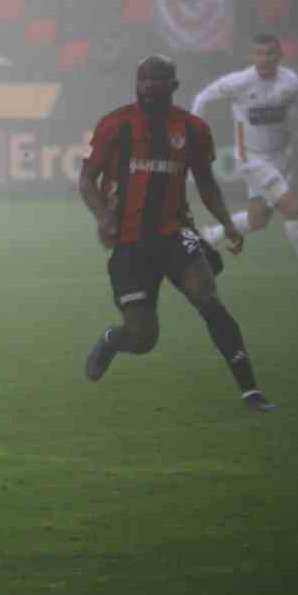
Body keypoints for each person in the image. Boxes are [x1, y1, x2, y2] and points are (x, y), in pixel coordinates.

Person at [79, 55, 274, 412]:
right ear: (136, 83)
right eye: (143, 79)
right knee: (143, 338)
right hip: (130, 241)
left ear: (174, 85)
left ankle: (250, 390)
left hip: (174, 232)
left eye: (158, 79)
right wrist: (103, 216)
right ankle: (111, 340)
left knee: (208, 297)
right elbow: (86, 179)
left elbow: (206, 183)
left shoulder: (193, 129)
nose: (149, 85)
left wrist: (228, 224)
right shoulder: (115, 124)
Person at [190, 33, 298, 278]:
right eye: (259, 53)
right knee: (293, 210)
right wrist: (196, 133)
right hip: (251, 159)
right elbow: (202, 98)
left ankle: (209, 236)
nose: (265, 58)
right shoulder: (239, 82)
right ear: (252, 56)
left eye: (270, 53)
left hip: (280, 157)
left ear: (279, 55)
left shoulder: (290, 83)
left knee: (258, 220)